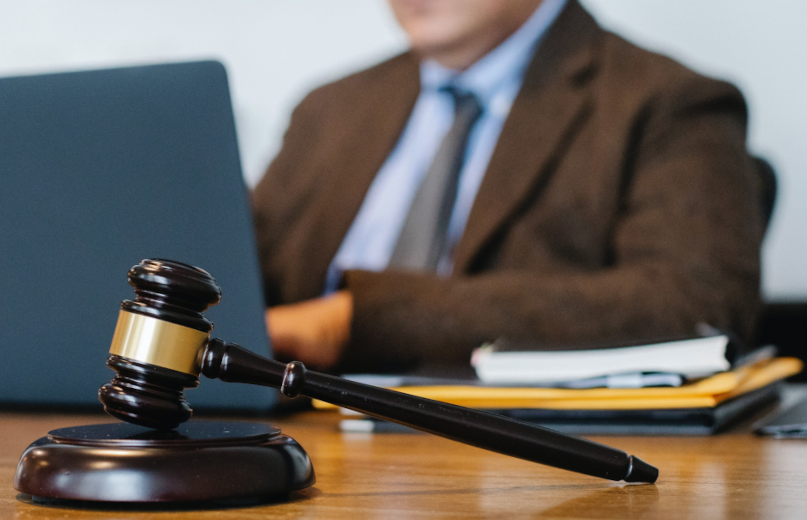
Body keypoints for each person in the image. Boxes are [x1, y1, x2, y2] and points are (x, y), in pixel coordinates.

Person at [253, 0, 767, 373]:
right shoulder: (328, 110)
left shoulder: (667, 101)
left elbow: (693, 301)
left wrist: (355, 320)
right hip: (292, 436)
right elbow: (234, 273)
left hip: (514, 462)